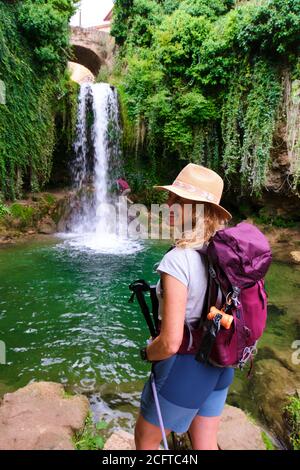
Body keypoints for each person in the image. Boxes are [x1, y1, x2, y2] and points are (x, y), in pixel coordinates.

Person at [135, 163, 234, 450]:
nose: (167, 204)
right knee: (205, 444)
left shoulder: (177, 260)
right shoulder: (224, 252)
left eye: (175, 200)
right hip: (220, 362)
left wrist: (146, 352)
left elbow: (170, 343)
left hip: (185, 367)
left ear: (195, 208)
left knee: (146, 442)